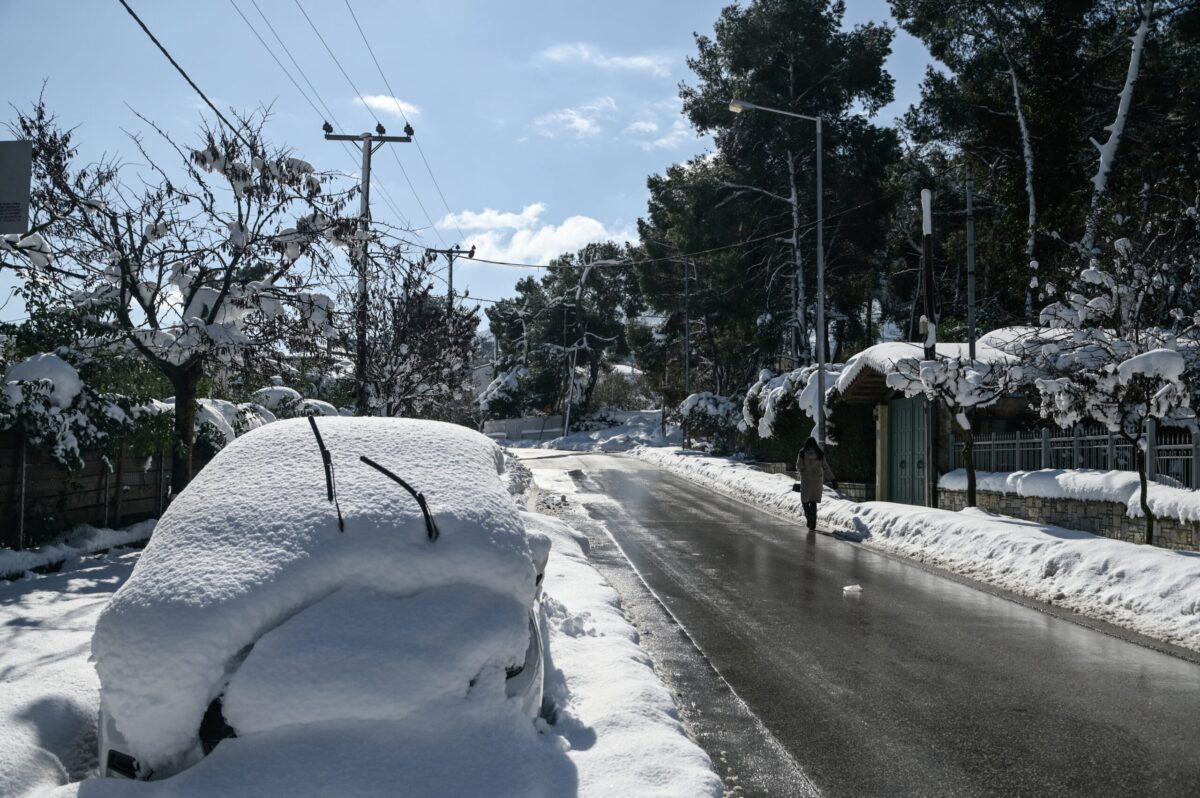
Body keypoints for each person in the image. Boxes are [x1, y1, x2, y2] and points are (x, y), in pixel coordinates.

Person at [793, 437, 837, 531]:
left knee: (805, 501)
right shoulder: (820, 453)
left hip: (806, 480)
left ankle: (809, 518)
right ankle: (813, 522)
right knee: (813, 501)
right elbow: (826, 467)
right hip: (817, 480)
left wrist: (803, 467)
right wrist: (832, 479)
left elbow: (798, 466)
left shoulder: (802, 452)